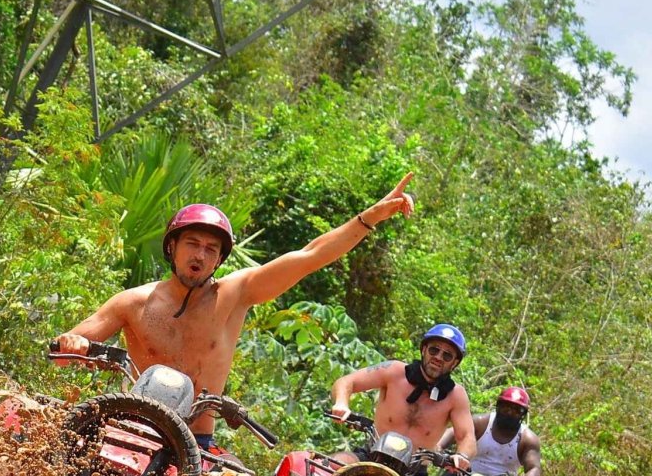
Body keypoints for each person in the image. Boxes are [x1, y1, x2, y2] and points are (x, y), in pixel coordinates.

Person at [53, 176, 416, 451]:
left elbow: (310, 257)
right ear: (172, 247)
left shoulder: (235, 294)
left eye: (211, 249)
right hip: (130, 422)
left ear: (220, 259)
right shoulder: (131, 302)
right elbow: (65, 350)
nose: (200, 255)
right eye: (192, 243)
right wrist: (74, 344)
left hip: (196, 440)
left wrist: (368, 219)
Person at [326, 324, 477, 476]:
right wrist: (341, 403)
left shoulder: (456, 396)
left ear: (454, 363)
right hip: (371, 453)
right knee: (330, 468)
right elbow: (347, 382)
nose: (438, 357)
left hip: (413, 473)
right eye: (434, 350)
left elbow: (467, 437)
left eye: (447, 355)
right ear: (424, 350)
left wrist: (462, 456)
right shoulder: (394, 371)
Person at [440, 386, 541, 476]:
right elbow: (451, 433)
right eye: (506, 407)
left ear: (523, 414)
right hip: (464, 473)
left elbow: (534, 467)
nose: (509, 412)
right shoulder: (481, 423)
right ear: (498, 406)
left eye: (516, 410)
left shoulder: (527, 439)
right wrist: (437, 447)